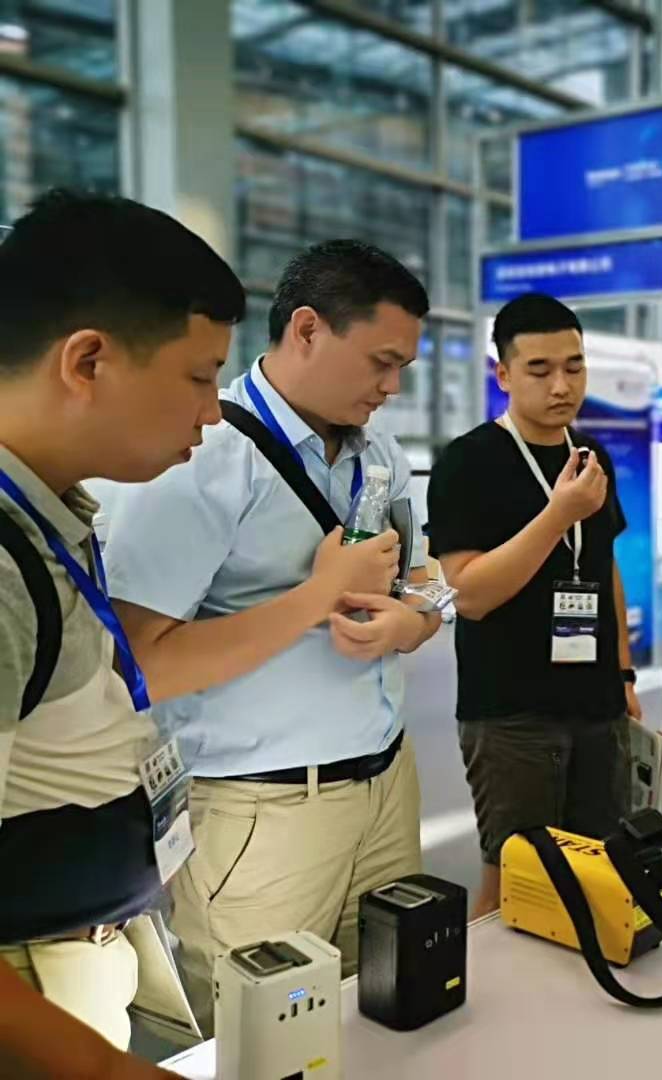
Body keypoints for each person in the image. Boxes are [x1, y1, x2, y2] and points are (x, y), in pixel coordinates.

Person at [104, 240, 437, 1031]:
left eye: (404, 368)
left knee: (386, 1019)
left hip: (387, 785)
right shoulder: (199, 456)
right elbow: (140, 663)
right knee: (260, 1046)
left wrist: (418, 618)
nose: (392, 387)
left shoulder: (378, 451)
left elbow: (427, 576)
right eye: (382, 362)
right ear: (309, 329)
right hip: (262, 813)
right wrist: (316, 597)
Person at [0, 191, 244, 1077]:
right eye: (199, 377)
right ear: (88, 361)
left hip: (86, 943)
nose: (212, 412)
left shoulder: (53, 515)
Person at [427, 293, 639, 916]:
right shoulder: (468, 461)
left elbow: (603, 567)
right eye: (540, 370)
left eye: (574, 366)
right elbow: (468, 595)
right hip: (512, 713)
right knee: (515, 884)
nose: (561, 385)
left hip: (596, 704)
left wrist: (624, 674)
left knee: (595, 869)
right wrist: (558, 514)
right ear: (504, 375)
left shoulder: (590, 456)